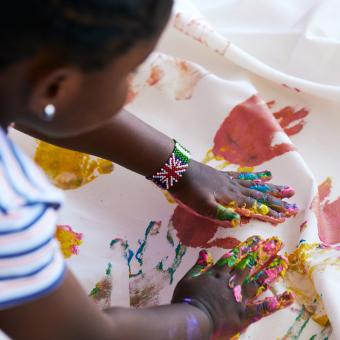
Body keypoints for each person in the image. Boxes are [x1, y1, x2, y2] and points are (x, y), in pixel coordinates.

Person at [0, 1, 296, 339]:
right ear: (54, 87)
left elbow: (29, 95)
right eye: (128, 72)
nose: (130, 87)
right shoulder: (9, 208)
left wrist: (175, 168)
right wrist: (204, 314)